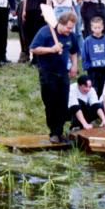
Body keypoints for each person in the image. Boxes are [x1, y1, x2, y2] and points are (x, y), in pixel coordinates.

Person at [30, 12, 79, 144]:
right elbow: (34, 49)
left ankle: (59, 131)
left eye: (72, 28)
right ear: (61, 24)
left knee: (63, 104)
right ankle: (53, 133)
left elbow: (73, 51)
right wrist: (51, 49)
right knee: (51, 103)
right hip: (47, 73)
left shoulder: (71, 36)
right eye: (68, 28)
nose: (70, 31)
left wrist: (74, 65)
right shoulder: (45, 32)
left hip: (63, 73)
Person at [82, 16, 105, 95]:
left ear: (102, 27)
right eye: (95, 28)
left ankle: (104, 105)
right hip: (93, 70)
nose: (97, 29)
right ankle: (95, 105)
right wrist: (86, 66)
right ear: (91, 28)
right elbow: (84, 54)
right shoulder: (88, 40)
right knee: (94, 89)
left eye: (99, 27)